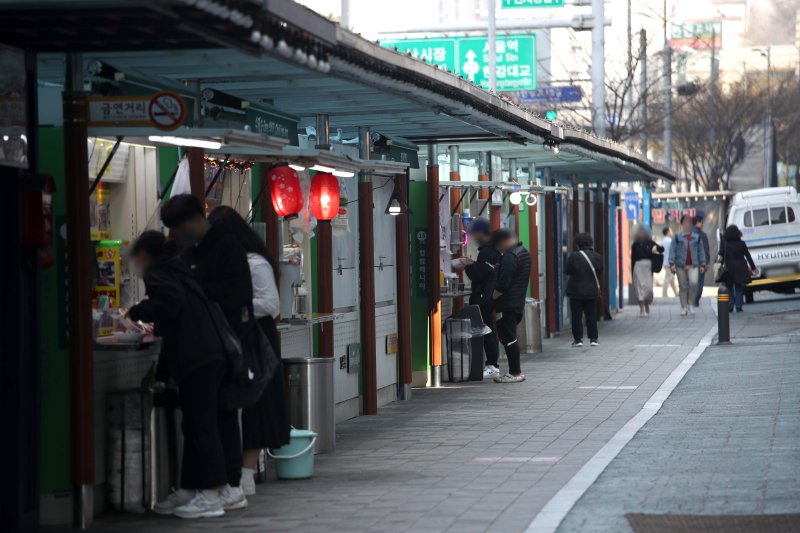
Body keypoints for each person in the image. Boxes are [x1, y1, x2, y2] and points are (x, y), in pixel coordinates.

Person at [128, 231, 229, 519]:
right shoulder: (177, 266)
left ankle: (211, 495)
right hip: (206, 352)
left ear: (144, 254)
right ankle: (189, 488)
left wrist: (137, 310)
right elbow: (174, 322)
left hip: (198, 355)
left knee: (202, 425)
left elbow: (171, 305)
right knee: (194, 424)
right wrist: (163, 371)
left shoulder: (158, 270)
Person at [160, 194, 250, 511]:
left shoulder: (227, 247)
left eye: (178, 228)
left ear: (197, 219)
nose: (175, 235)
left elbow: (239, 294)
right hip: (200, 346)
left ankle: (224, 487)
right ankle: (196, 486)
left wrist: (197, 292)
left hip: (221, 347)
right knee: (198, 421)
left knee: (215, 419)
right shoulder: (193, 250)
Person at [207, 206, 291, 497]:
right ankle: (240, 475)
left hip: (257, 340)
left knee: (257, 405)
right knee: (240, 405)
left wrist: (234, 305)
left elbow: (271, 304)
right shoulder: (229, 262)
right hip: (237, 339)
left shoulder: (254, 262)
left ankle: (246, 475)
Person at [462, 218, 502, 378]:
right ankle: (492, 364)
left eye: (474, 234)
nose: (474, 238)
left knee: (487, 331)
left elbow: (478, 275)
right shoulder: (493, 250)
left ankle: (492, 365)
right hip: (487, 296)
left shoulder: (487, 252)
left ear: (480, 233)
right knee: (488, 330)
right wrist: (473, 264)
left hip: (483, 298)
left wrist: (468, 265)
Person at [491, 229, 531, 384]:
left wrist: (492, 297)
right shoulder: (523, 251)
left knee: (508, 338)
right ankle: (515, 371)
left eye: (498, 245)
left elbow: (504, 282)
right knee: (510, 336)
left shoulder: (510, 256)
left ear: (503, 241)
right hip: (517, 301)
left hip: (507, 303)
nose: (499, 249)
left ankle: (515, 372)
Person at [565, 232, 603, 347]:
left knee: (576, 316)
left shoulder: (573, 256)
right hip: (591, 291)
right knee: (591, 315)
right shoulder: (597, 256)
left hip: (575, 291)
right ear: (590, 243)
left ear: (577, 244)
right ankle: (593, 338)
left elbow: (568, 271)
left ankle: (578, 340)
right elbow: (600, 272)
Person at [668, 214, 707, 316]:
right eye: (685, 222)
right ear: (682, 224)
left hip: (693, 264)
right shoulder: (677, 237)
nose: (687, 224)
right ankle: (684, 307)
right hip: (680, 265)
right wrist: (671, 263)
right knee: (683, 286)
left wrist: (703, 264)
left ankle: (691, 303)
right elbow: (672, 250)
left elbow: (701, 251)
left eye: (689, 222)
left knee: (694, 283)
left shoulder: (697, 238)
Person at [720, 224, 757, 313]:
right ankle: (739, 306)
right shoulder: (741, 243)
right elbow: (748, 256)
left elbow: (721, 254)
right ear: (738, 233)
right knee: (739, 287)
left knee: (729, 287)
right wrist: (753, 267)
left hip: (728, 267)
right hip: (740, 267)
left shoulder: (725, 244)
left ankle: (730, 304)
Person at [631, 226, 664, 318]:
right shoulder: (635, 245)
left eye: (642, 232)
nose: (641, 234)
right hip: (638, 267)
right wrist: (632, 273)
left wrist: (656, 249)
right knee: (640, 288)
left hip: (648, 267)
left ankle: (647, 303)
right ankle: (642, 309)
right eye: (639, 232)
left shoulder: (650, 242)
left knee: (649, 288)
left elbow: (661, 249)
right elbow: (634, 259)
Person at [692, 215, 710, 307]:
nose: (702, 224)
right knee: (699, 281)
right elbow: (705, 250)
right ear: (698, 223)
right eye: (702, 222)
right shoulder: (702, 235)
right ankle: (695, 300)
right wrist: (706, 262)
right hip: (700, 262)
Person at [661, 227, 678, 298]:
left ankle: (676, 293)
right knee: (668, 278)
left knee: (672, 278)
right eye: (670, 231)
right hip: (669, 262)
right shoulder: (669, 241)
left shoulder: (663, 241)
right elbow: (674, 251)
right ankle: (664, 294)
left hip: (665, 261)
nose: (672, 232)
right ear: (668, 232)